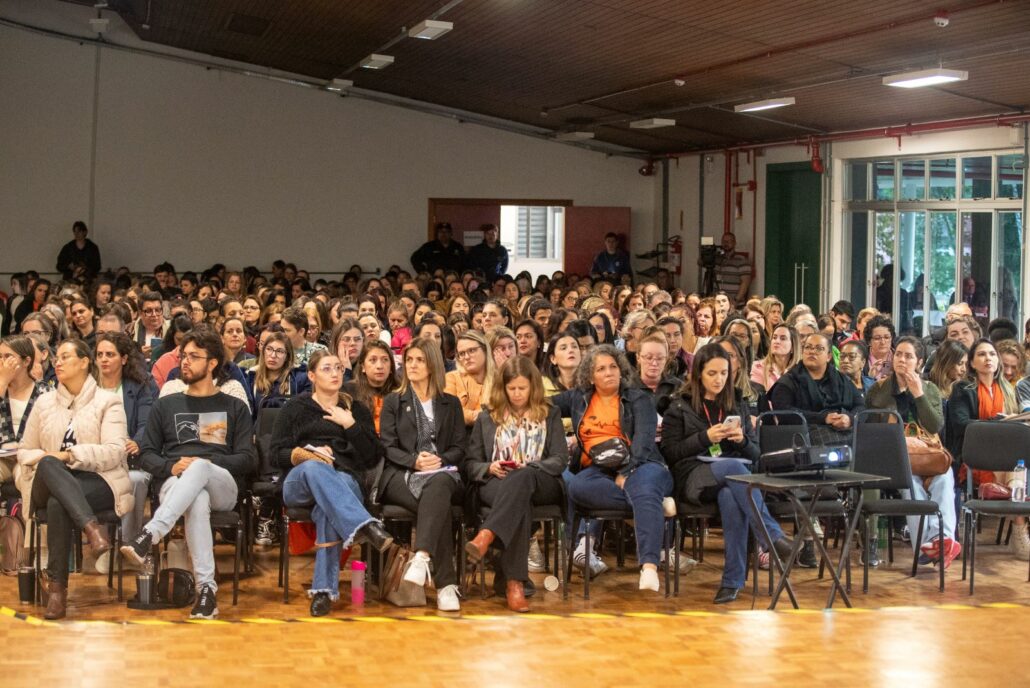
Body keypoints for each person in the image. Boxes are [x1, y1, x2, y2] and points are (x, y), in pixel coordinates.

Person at [120, 329, 256, 620]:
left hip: (223, 485)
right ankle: (207, 591)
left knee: (201, 468)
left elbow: (248, 458)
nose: (185, 362)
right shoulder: (165, 405)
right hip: (175, 482)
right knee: (196, 499)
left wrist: (204, 462)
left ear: (213, 363)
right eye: (183, 356)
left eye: (194, 357)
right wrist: (170, 467)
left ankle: (149, 535)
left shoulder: (234, 407)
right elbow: (145, 454)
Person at [661, 344, 794, 603]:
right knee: (736, 470)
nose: (719, 379)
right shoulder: (678, 406)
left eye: (724, 373)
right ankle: (772, 536)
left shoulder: (739, 403)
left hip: (733, 479)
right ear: (698, 374)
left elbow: (756, 455)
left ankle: (732, 581)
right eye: (712, 373)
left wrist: (742, 439)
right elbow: (670, 453)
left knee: (731, 496)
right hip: (693, 476)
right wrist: (704, 437)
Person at [271, 349, 394, 616]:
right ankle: (365, 525)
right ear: (312, 376)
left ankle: (324, 591)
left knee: (328, 506)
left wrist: (350, 425)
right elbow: (273, 454)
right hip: (300, 481)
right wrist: (306, 453)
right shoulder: (295, 408)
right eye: (327, 369)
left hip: (343, 478)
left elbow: (373, 455)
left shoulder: (355, 409)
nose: (335, 373)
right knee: (316, 467)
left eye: (338, 368)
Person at [16, 339, 132, 619]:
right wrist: (52, 458)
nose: (57, 362)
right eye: (57, 358)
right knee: (48, 464)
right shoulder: (44, 402)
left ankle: (57, 591)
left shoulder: (109, 401)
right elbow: (24, 450)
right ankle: (91, 529)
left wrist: (69, 455)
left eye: (66, 357)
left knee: (59, 502)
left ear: (84, 362)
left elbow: (115, 452)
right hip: (47, 477)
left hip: (96, 480)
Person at [553, 344, 673, 593]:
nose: (608, 372)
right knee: (577, 486)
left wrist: (626, 473)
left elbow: (643, 441)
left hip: (643, 464)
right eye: (601, 369)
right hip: (599, 470)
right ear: (590, 376)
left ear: (621, 370)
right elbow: (543, 403)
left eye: (613, 367)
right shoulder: (578, 397)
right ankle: (651, 505)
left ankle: (649, 567)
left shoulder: (638, 398)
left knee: (644, 485)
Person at [465, 357, 568, 612]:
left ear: (533, 386)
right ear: (503, 388)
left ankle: (487, 534)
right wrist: (489, 467)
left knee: (521, 478)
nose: (518, 394)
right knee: (518, 501)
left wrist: (530, 467)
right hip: (496, 482)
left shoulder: (550, 412)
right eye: (512, 389)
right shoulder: (488, 416)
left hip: (541, 481)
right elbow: (471, 463)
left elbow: (560, 459)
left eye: (523, 388)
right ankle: (515, 585)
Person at [378, 337, 466, 611]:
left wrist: (439, 459)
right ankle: (446, 586)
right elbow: (387, 446)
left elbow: (459, 447)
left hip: (442, 472)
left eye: (420, 360)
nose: (412, 365)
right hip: (402, 474)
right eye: (409, 360)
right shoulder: (394, 400)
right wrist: (415, 461)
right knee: (437, 506)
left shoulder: (450, 403)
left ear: (433, 365)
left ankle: (422, 556)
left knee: (438, 485)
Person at [865, 337, 960, 568]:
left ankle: (940, 541)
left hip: (926, 453)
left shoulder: (930, 389)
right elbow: (870, 428)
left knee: (945, 479)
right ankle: (929, 545)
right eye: (899, 355)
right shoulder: (878, 390)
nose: (902, 360)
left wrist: (919, 395)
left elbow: (935, 425)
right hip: (894, 456)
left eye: (908, 356)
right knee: (911, 485)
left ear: (919, 362)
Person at [944, 338, 1025, 558]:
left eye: (991, 354)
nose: (988, 358)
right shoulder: (963, 388)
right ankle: (1019, 523)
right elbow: (961, 424)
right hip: (974, 456)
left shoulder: (1008, 390)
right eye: (981, 354)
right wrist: (998, 424)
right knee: (1018, 470)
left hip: (1007, 454)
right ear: (971, 362)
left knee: (1019, 463)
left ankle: (1018, 520)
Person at [93, 332, 158, 573]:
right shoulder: (88, 387)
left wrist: (137, 442)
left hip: (130, 459)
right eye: (99, 354)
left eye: (110, 354)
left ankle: (129, 545)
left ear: (123, 358)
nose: (104, 359)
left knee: (136, 480)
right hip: (95, 459)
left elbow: (146, 423)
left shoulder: (140, 385)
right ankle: (103, 544)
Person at [769, 332, 865, 445]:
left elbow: (861, 406)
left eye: (819, 348)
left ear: (829, 356)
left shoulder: (840, 379)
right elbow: (784, 413)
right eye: (808, 347)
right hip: (803, 439)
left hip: (842, 434)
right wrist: (823, 418)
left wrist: (849, 419)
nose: (812, 351)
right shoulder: (788, 382)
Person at [0, 336, 48, 484]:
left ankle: (23, 508)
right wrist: (3, 381)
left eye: (8, 357)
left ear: (27, 361)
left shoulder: (44, 391)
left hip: (29, 457)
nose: (2, 362)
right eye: (0, 356)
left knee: (28, 479)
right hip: (2, 457)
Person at [246, 332, 310, 417]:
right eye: (269, 349)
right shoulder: (251, 377)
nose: (273, 355)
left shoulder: (299, 378)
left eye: (280, 351)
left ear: (287, 356)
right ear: (263, 351)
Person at [344, 340, 399, 434]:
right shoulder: (348, 391)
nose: (379, 366)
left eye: (385, 360)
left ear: (391, 367)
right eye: (373, 360)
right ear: (363, 367)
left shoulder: (400, 391)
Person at [445, 331, 494, 430]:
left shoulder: (498, 380)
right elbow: (450, 411)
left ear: (485, 349)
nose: (466, 357)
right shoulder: (451, 378)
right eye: (462, 354)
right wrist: (483, 417)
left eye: (472, 350)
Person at [750, 324, 799, 392]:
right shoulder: (758, 367)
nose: (777, 341)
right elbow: (758, 397)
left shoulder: (800, 373)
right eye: (774, 337)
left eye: (783, 338)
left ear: (793, 347)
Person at [713, 233, 752, 307]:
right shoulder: (717, 259)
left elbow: (745, 283)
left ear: (734, 243)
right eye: (724, 241)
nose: (726, 244)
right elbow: (700, 262)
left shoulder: (742, 260)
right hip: (718, 303)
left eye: (728, 241)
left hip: (734, 304)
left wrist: (736, 301)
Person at [864, 315, 895, 381]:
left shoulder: (898, 358)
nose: (883, 342)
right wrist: (869, 379)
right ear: (869, 341)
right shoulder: (861, 357)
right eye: (877, 338)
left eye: (886, 337)